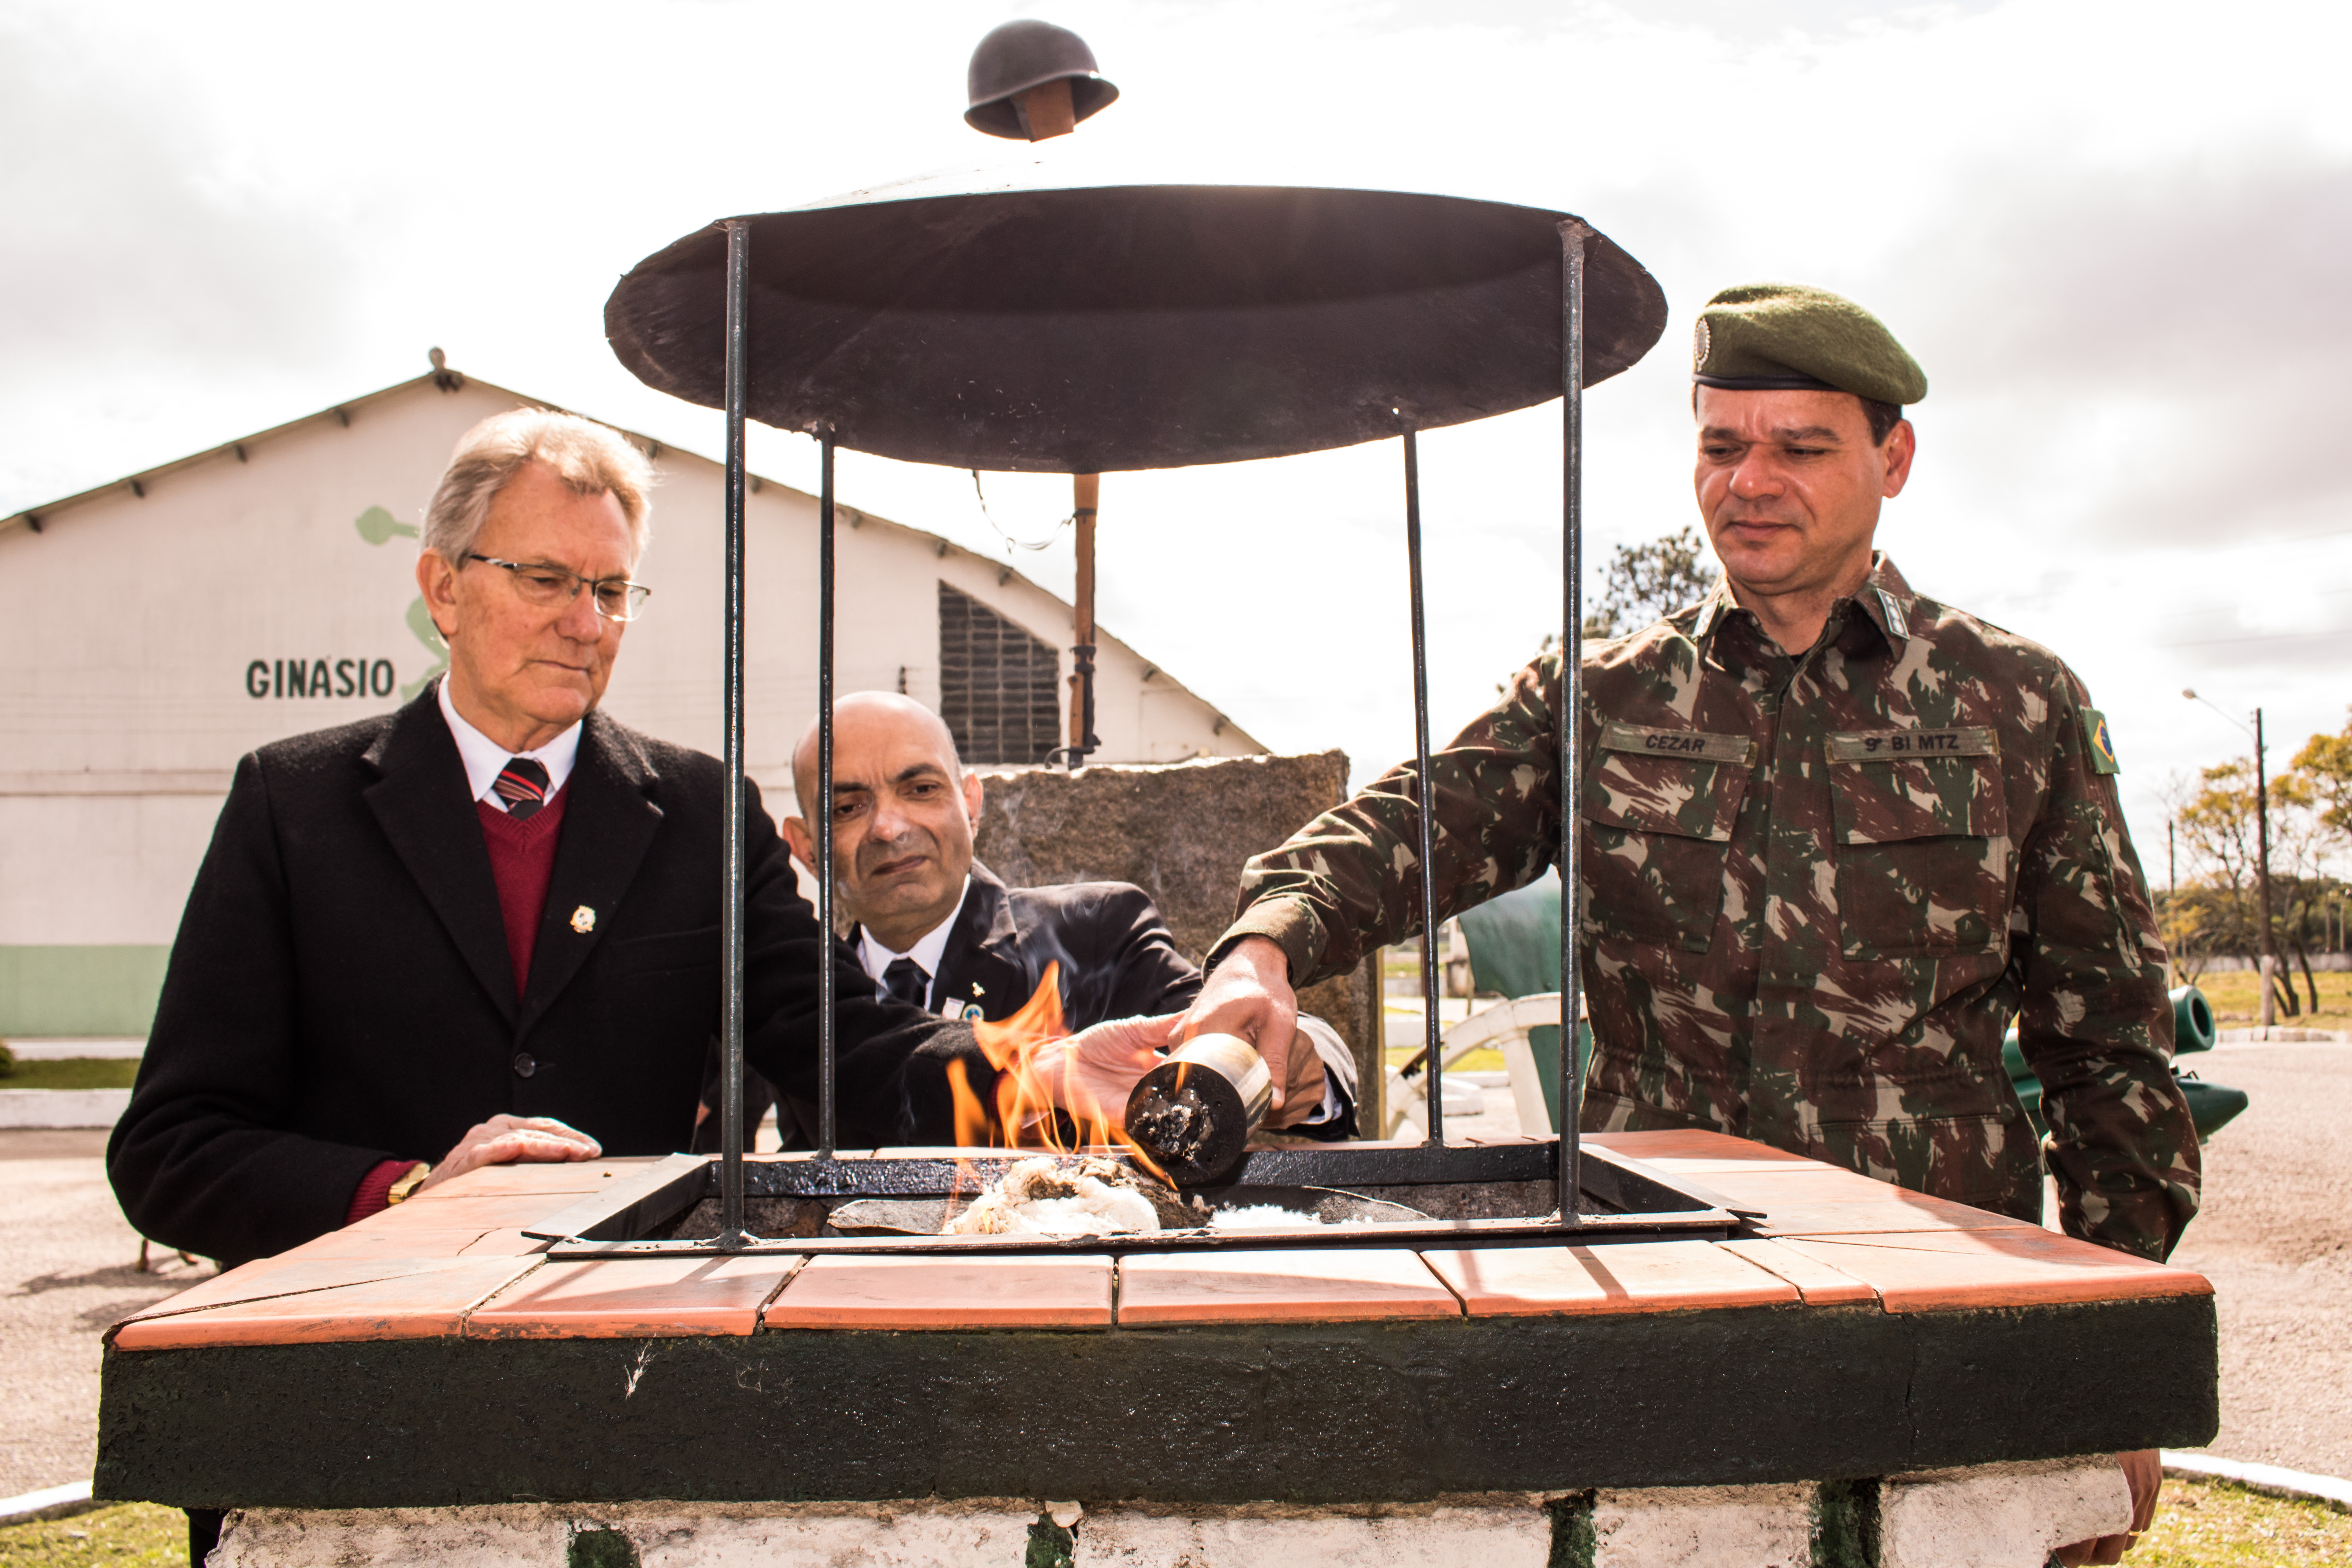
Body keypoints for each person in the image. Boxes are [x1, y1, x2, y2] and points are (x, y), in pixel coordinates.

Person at [1180, 283, 2196, 1564]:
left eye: (1798, 447)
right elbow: (1412, 825)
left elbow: (2108, 1057)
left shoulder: (2016, 704)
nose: (1749, 482)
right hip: (1654, 1293)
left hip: (1932, 1309)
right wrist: (1261, 947)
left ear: (1892, 459)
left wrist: (2110, 1359)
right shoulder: (1604, 695)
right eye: (1721, 445)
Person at [109, 411, 1040, 1272]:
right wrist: (405, 1191)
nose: (585, 623)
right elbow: (172, 1149)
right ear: (443, 587)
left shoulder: (699, 812)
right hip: (353, 1349)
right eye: (545, 579)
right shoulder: (293, 804)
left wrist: (1050, 1069)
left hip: (607, 1363)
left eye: (609, 589)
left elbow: (845, 1041)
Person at [763, 691, 1355, 1141]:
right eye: (847, 806)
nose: (889, 827)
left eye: (920, 788)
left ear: (971, 803)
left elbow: (1224, 1019)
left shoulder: (1098, 931)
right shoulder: (789, 999)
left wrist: (1305, 1061)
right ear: (806, 846)